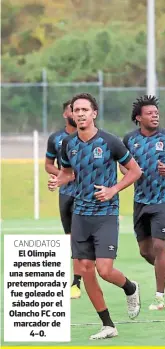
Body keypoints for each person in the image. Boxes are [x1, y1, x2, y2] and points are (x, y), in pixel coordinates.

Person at [48, 93, 142, 340]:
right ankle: (108, 324)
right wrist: (58, 179)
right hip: (81, 213)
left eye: (84, 110)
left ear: (93, 114)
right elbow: (68, 173)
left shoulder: (110, 142)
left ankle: (131, 288)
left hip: (106, 215)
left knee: (105, 270)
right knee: (86, 269)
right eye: (75, 110)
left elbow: (135, 171)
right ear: (71, 114)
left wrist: (113, 190)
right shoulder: (69, 144)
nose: (79, 113)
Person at [123, 95, 165, 310]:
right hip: (140, 200)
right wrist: (130, 173)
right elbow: (122, 164)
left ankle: (159, 297)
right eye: (149, 113)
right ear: (139, 117)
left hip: (162, 200)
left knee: (159, 246)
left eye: (156, 113)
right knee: (144, 251)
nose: (155, 116)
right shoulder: (129, 140)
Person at [45, 100, 83, 299]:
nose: (76, 113)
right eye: (73, 110)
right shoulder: (56, 138)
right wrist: (63, 174)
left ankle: (76, 282)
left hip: (85, 195)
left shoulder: (90, 136)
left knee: (78, 237)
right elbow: (48, 165)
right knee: (70, 237)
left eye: (80, 110)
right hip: (65, 194)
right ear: (65, 114)